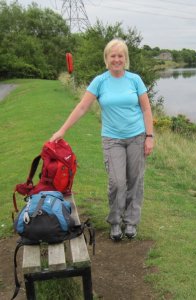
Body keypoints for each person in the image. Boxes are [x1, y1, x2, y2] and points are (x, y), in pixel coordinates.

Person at [50, 38, 154, 241]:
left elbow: (146, 108)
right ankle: (115, 222)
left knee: (135, 181)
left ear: (125, 58)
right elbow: (82, 107)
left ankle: (131, 222)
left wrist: (149, 136)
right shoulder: (100, 81)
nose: (117, 59)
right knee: (117, 183)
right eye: (112, 56)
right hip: (112, 139)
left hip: (137, 137)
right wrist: (62, 130)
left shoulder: (135, 80)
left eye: (120, 56)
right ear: (106, 59)